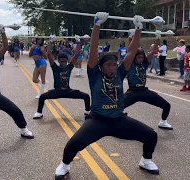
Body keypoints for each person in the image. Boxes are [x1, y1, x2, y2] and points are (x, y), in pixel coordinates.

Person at [54, 13, 159, 179]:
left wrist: (139, 29)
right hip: (98, 121)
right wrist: (97, 25)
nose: (113, 68)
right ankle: (64, 165)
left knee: (151, 135)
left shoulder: (119, 73)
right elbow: (94, 48)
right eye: (109, 65)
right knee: (73, 144)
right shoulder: (94, 74)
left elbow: (131, 51)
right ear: (101, 67)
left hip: (118, 120)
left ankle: (145, 161)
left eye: (114, 65)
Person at [33, 36, 91, 119]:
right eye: (61, 60)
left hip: (68, 91)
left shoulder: (69, 67)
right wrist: (51, 41)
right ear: (58, 61)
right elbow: (49, 54)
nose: (63, 62)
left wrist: (78, 42)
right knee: (42, 97)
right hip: (57, 91)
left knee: (86, 96)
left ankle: (87, 110)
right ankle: (39, 112)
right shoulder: (55, 67)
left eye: (65, 60)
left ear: (67, 60)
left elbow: (76, 54)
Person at [123, 35, 173, 130]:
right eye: (139, 57)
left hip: (143, 91)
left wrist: (157, 39)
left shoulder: (144, 64)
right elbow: (130, 52)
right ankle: (113, 121)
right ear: (135, 58)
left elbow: (152, 52)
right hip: (132, 92)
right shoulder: (130, 64)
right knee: (117, 107)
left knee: (166, 105)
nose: (140, 59)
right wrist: (131, 40)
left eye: (142, 57)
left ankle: (163, 122)